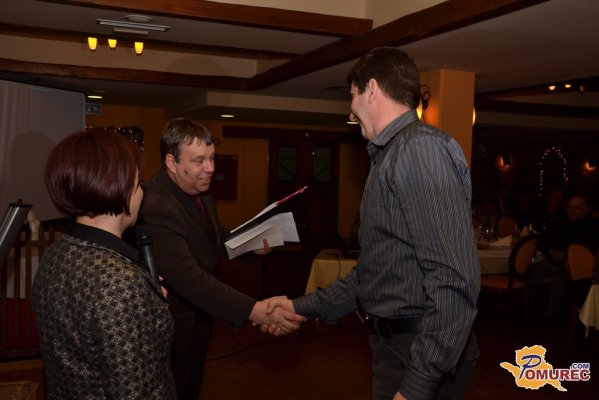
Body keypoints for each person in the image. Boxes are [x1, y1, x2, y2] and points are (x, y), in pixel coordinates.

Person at [266, 47, 480, 400]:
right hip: (399, 348)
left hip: (417, 351)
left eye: (352, 95)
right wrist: (299, 306)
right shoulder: (393, 154)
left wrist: (418, 383)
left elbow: (453, 278)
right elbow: (377, 274)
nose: (350, 110)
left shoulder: (418, 150)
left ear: (372, 90)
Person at [139, 118, 306, 400]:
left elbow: (214, 237)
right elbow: (187, 276)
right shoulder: (157, 204)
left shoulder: (197, 188)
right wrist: (254, 309)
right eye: (199, 160)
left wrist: (251, 246)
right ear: (171, 162)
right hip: (173, 329)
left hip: (199, 321)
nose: (210, 168)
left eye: (212, 157)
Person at [31, 129, 176, 398]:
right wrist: (139, 297)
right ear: (120, 185)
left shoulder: (59, 250)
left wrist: (147, 302)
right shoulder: (120, 281)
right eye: (139, 183)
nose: (141, 192)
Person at [528, 192, 599, 321]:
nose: (572, 210)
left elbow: (588, 252)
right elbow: (543, 239)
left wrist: (567, 256)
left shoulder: (593, 227)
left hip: (576, 270)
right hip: (554, 262)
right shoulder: (561, 220)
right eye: (570, 207)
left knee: (557, 282)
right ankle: (530, 309)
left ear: (587, 209)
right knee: (531, 271)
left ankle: (550, 317)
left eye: (577, 208)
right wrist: (551, 251)